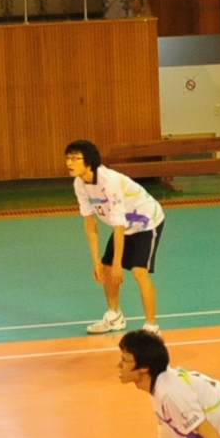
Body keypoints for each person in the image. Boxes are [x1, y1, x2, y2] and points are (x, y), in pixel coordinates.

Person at [66, 139, 164, 335]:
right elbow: (90, 222)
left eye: (75, 159)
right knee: (107, 267)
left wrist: (119, 263)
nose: (69, 163)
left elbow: (119, 223)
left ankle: (152, 327)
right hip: (123, 226)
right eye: (68, 158)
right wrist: (96, 261)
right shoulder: (80, 183)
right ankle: (114, 317)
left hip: (146, 222)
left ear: (89, 161)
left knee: (138, 272)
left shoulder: (109, 182)